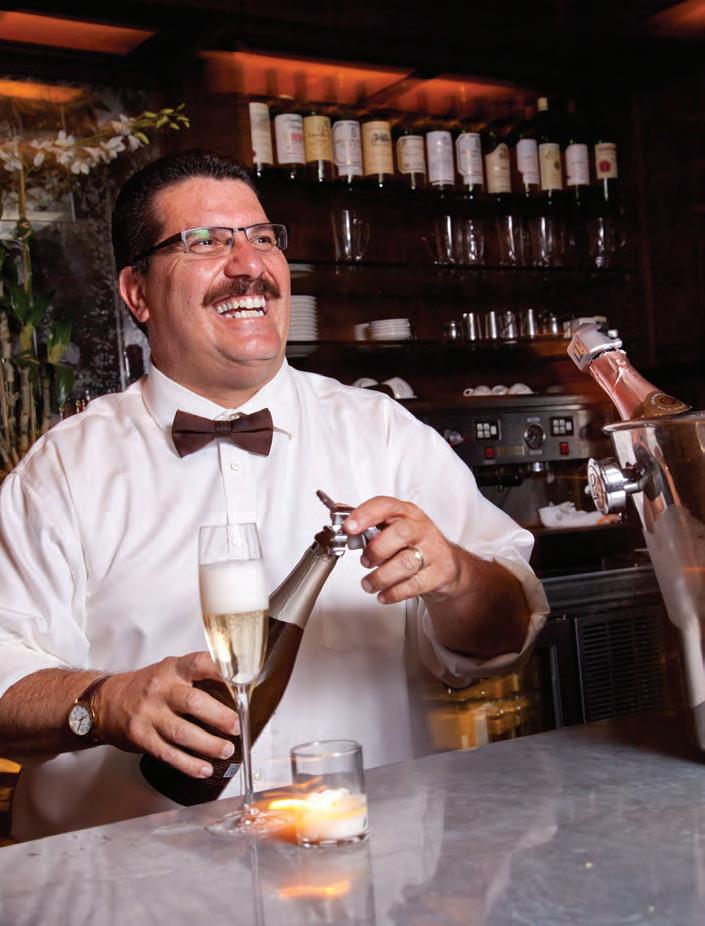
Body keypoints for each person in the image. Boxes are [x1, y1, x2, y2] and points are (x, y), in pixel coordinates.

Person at [0, 149, 548, 841]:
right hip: (133, 885)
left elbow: (509, 631)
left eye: (262, 237)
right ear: (138, 293)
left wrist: (457, 579)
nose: (248, 264)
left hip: (367, 868)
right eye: (205, 241)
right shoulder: (64, 470)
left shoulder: (384, 435)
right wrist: (101, 703)